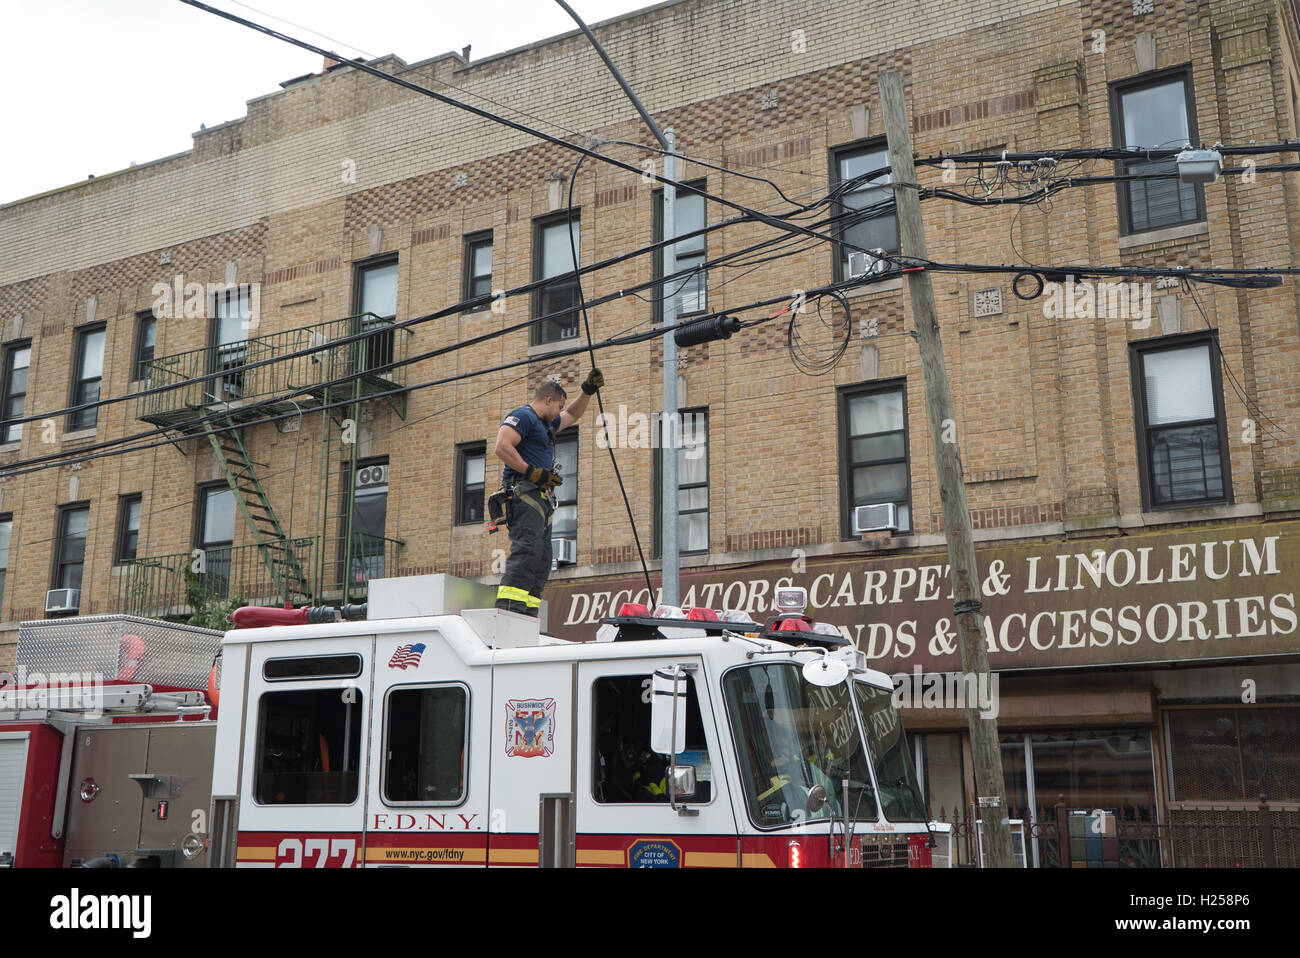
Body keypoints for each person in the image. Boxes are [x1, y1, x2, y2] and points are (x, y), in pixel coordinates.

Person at [493, 371, 603, 615]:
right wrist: (531, 472)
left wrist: (587, 390)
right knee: (527, 551)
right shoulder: (523, 416)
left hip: (541, 499)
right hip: (525, 494)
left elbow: (573, 414)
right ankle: (509, 609)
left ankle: (528, 613)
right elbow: (502, 446)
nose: (559, 411)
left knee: (542, 559)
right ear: (549, 400)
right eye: (559, 405)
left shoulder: (544, 425)